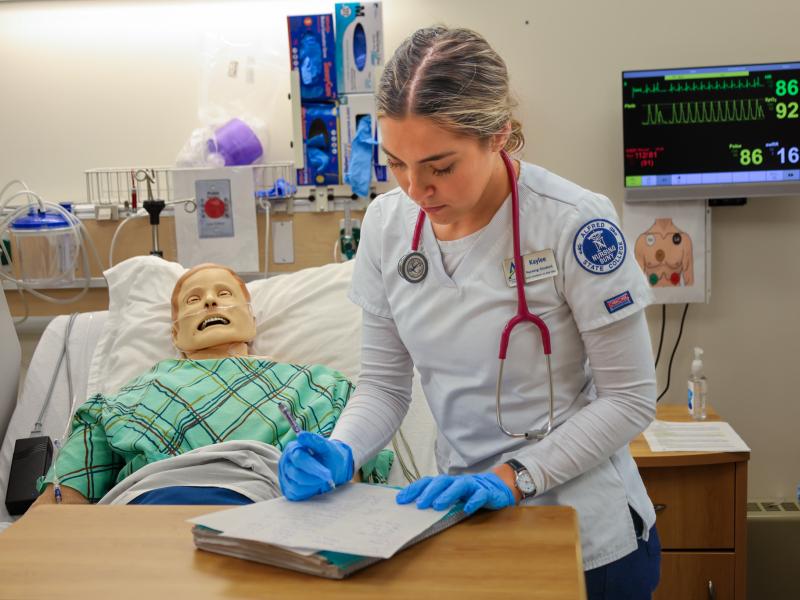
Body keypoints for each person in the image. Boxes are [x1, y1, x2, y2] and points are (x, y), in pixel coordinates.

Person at [277, 27, 661, 598]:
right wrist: (344, 448)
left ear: (498, 135)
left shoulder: (573, 223)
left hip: (585, 535)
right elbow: (385, 386)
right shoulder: (387, 227)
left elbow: (630, 399)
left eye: (440, 165)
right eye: (397, 164)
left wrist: (516, 475)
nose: (416, 188)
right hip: (462, 523)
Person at [32, 263, 389, 508]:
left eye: (224, 294)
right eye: (193, 299)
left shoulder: (319, 386)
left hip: (270, 515)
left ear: (252, 319)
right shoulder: (119, 404)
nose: (209, 301)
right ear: (175, 333)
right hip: (145, 519)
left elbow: (349, 495)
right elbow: (58, 509)